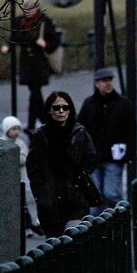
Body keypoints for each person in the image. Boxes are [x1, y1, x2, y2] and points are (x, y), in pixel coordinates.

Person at [27, 91, 98, 237]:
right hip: (51, 200)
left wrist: (80, 179)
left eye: (65, 107)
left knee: (74, 241)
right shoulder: (41, 135)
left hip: (75, 197)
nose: (61, 111)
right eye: (56, 107)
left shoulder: (79, 132)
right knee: (54, 244)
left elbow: (91, 157)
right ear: (49, 110)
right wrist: (41, 194)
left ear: (70, 110)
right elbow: (34, 168)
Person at [77, 68, 136, 214]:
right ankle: (96, 229)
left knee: (111, 193)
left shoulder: (123, 104)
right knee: (95, 196)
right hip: (94, 157)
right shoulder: (89, 104)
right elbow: (81, 129)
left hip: (114, 156)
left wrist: (129, 153)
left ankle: (121, 218)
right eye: (104, 81)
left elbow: (130, 131)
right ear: (97, 83)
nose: (107, 83)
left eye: (109, 80)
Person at [1, 0, 60, 135]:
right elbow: (13, 38)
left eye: (31, 7)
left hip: (40, 63)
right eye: (25, 8)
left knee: (35, 92)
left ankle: (31, 125)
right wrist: (8, 48)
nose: (28, 10)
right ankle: (45, 120)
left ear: (37, 8)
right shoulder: (20, 22)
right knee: (35, 94)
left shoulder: (44, 22)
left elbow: (55, 41)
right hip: (26, 63)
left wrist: (45, 44)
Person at [0, 115, 43, 237]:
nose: (16, 132)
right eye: (13, 129)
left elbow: (24, 158)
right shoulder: (2, 142)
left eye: (18, 129)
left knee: (24, 203)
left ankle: (29, 226)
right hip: (8, 179)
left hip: (21, 179)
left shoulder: (21, 143)